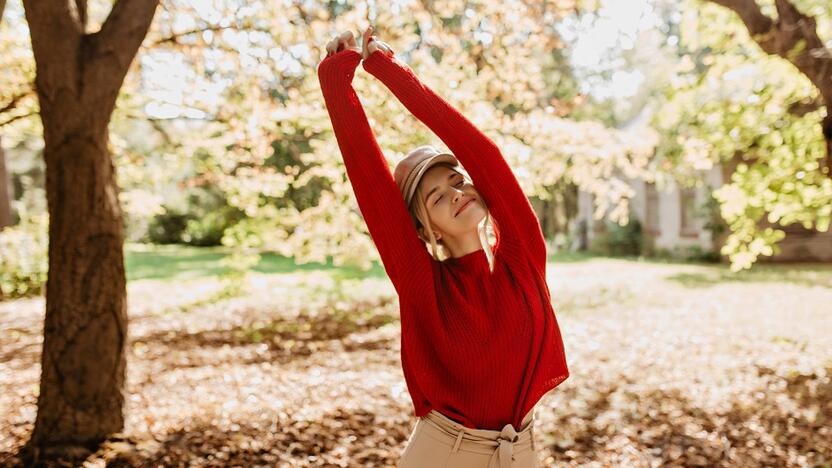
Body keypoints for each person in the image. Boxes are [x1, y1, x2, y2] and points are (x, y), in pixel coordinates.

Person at [317, 25, 569, 468]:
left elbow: (483, 154)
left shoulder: (523, 258)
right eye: (436, 197)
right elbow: (369, 180)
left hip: (522, 451)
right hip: (446, 454)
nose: (456, 193)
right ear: (422, 227)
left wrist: (391, 71)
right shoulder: (424, 285)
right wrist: (337, 80)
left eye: (457, 181)